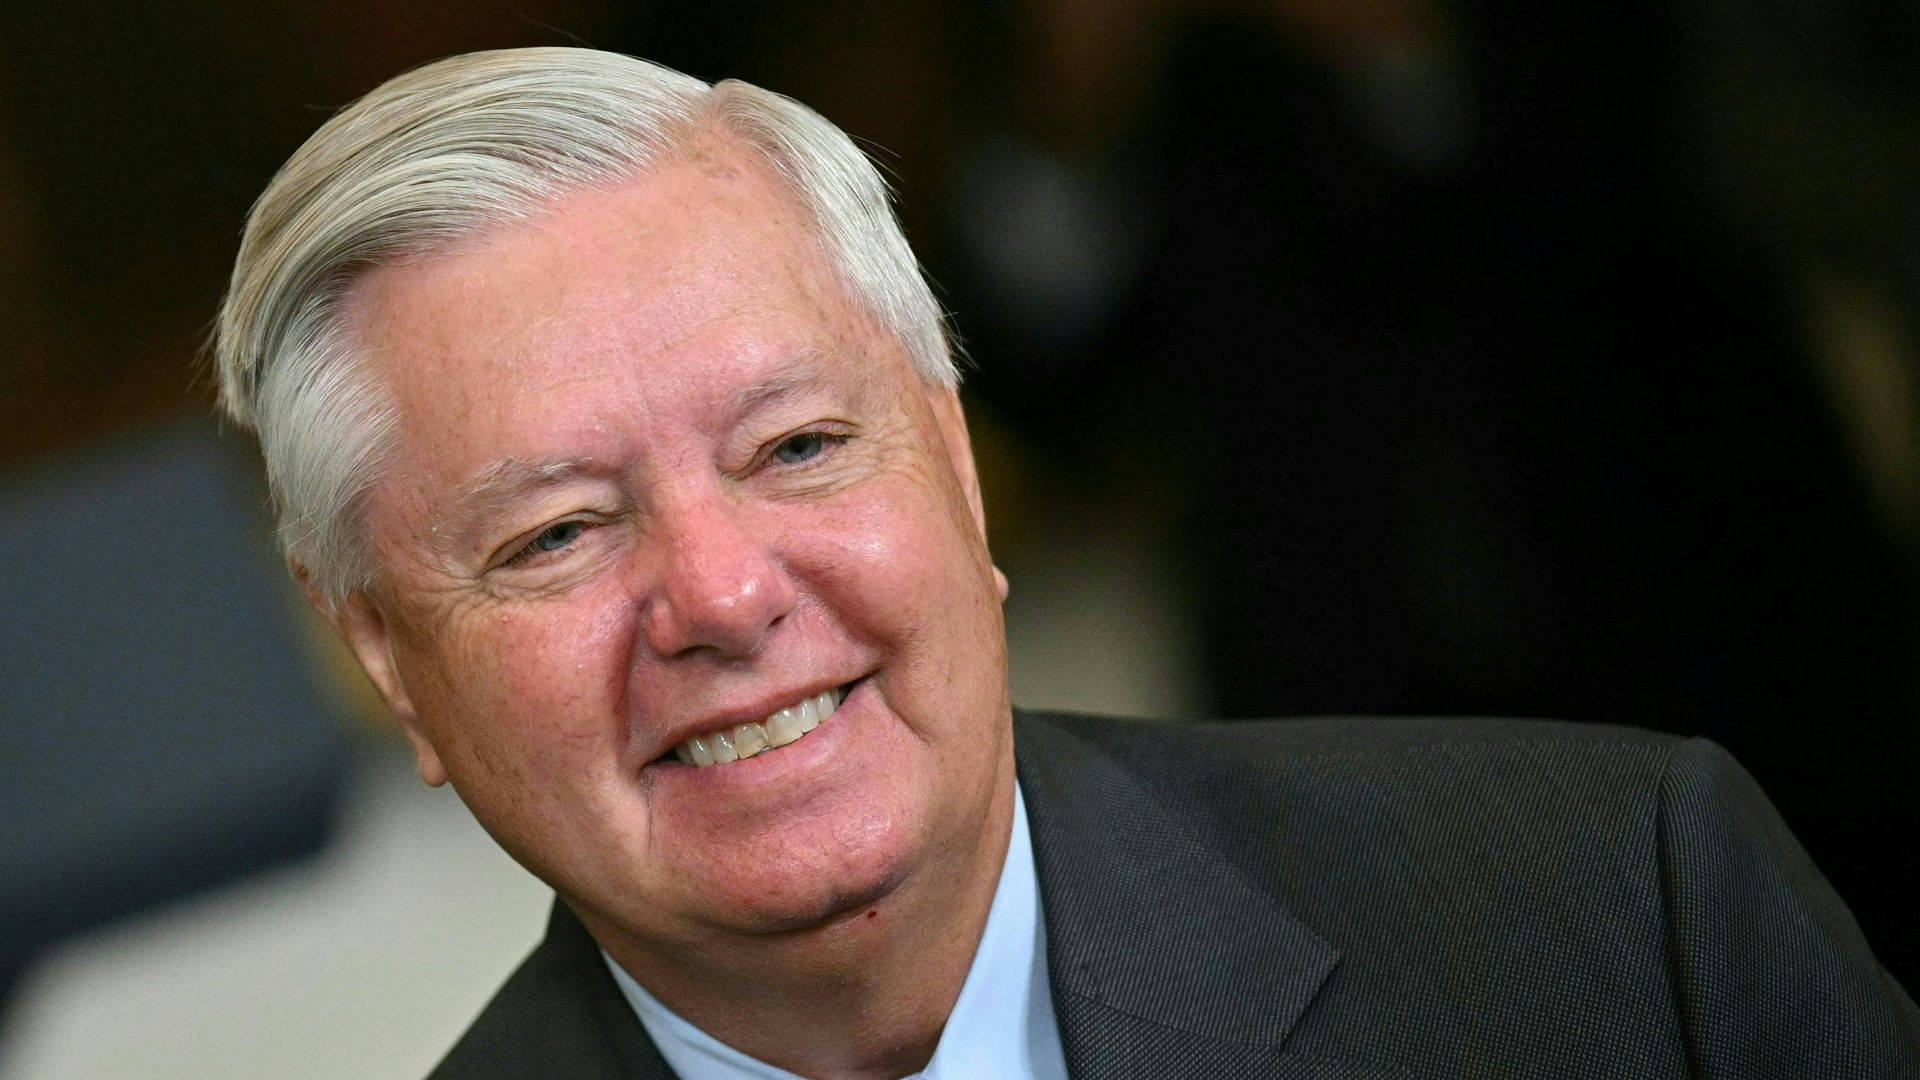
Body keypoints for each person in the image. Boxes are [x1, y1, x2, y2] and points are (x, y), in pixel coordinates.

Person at [212, 48, 1919, 1079]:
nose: (727, 597)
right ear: (387, 662)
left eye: (800, 447)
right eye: (557, 534)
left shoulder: (1626, 919)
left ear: (953, 461)